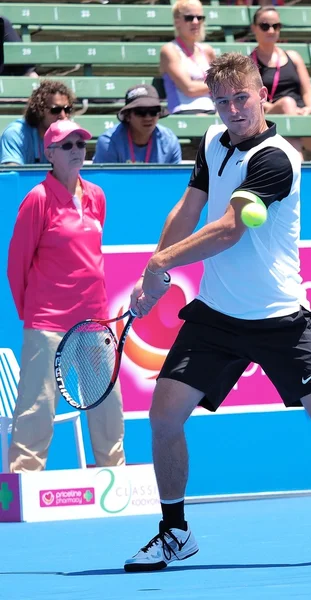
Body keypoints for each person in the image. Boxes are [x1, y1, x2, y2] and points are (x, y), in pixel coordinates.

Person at [123, 53, 311, 572]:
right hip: (217, 317)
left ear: (263, 94)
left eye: (240, 98)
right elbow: (190, 207)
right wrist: (151, 273)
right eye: (220, 102)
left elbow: (227, 229)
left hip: (280, 318)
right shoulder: (213, 141)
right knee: (163, 415)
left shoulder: (277, 158)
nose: (231, 110)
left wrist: (159, 264)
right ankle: (175, 530)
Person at [7, 120, 125, 472]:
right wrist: (35, 316)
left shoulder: (97, 196)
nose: (77, 150)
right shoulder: (38, 199)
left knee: (107, 407)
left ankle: (114, 479)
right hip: (48, 324)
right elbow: (17, 266)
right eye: (68, 145)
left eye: (81, 144)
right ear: (50, 153)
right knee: (37, 406)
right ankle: (24, 479)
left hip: (94, 323)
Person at [251, 6, 311, 159]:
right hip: (269, 113)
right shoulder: (249, 62)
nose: (271, 31)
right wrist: (281, 108)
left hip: (299, 113)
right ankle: (298, 163)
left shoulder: (293, 56)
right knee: (287, 103)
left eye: (276, 26)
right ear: (254, 28)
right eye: (265, 26)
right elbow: (253, 97)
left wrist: (309, 109)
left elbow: (308, 91)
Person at [93, 84, 182, 164]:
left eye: (153, 111)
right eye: (141, 112)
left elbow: (174, 180)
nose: (148, 117)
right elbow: (106, 180)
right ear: (128, 116)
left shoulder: (169, 140)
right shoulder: (109, 142)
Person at [0, 79, 75, 166]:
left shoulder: (69, 136)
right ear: (39, 110)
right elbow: (13, 176)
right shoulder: (15, 134)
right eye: (55, 110)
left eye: (67, 110)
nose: (63, 115)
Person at [160, 0, 216, 115]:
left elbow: (222, 84)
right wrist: (217, 84)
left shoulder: (207, 51)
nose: (195, 22)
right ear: (177, 22)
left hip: (212, 110)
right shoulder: (170, 50)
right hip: (184, 112)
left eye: (199, 17)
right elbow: (189, 89)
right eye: (189, 18)